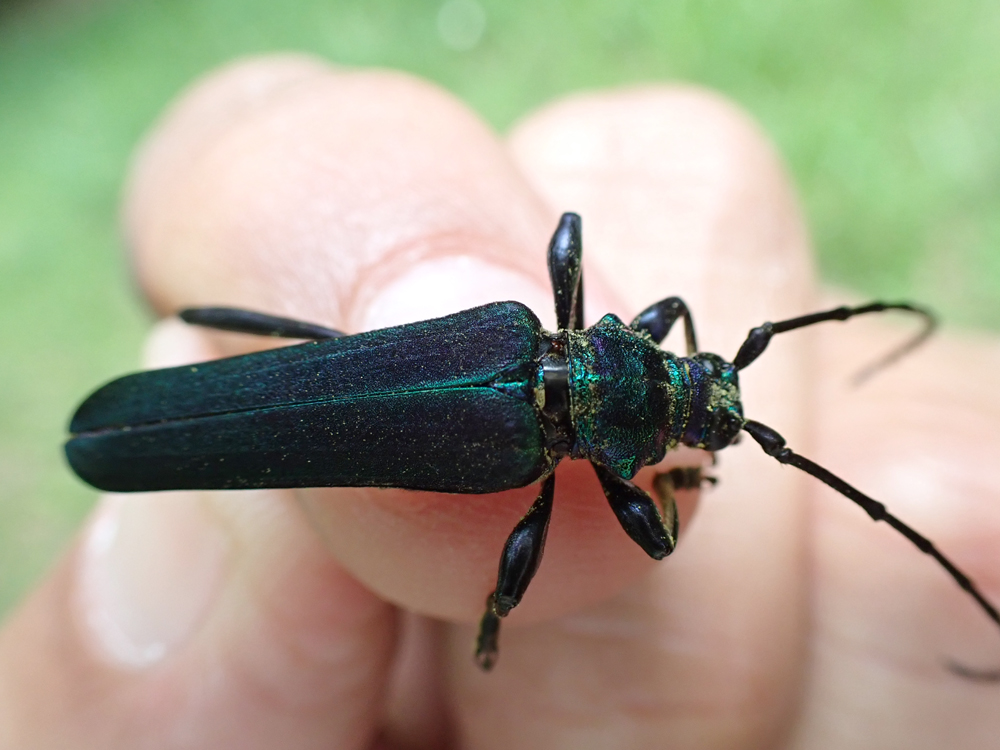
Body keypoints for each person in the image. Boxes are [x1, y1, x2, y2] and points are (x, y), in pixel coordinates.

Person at [2, 55, 998, 748]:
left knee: (304, 348)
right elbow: (655, 542)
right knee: (323, 364)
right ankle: (484, 625)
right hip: (418, 443)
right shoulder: (542, 465)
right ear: (648, 414)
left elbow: (575, 235)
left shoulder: (531, 331)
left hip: (404, 399)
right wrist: (682, 471)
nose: (705, 387)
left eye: (701, 407)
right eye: (700, 403)